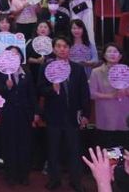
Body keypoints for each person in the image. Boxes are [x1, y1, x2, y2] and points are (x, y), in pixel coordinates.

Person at [38, 36, 91, 192]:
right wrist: (52, 89)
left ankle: (76, 181)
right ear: (54, 49)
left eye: (65, 46)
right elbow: (40, 89)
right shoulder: (46, 67)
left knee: (74, 150)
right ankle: (54, 180)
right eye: (59, 46)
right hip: (53, 116)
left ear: (69, 49)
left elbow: (84, 93)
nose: (62, 49)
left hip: (73, 116)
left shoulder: (77, 68)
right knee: (53, 150)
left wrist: (86, 114)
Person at [0, 46, 38, 186]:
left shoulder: (26, 71)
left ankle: (24, 174)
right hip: (8, 113)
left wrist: (36, 111)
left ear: (21, 57)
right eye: (10, 54)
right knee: (9, 143)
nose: (13, 57)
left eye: (16, 54)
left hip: (24, 113)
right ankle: (10, 174)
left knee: (24, 144)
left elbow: (32, 93)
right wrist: (7, 87)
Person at [88, 44, 129, 149]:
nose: (112, 54)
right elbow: (92, 93)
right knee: (108, 148)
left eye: (115, 52)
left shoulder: (127, 71)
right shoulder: (96, 72)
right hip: (106, 115)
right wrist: (111, 95)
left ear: (120, 56)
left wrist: (127, 92)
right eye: (109, 51)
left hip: (124, 115)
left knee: (124, 147)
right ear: (104, 55)